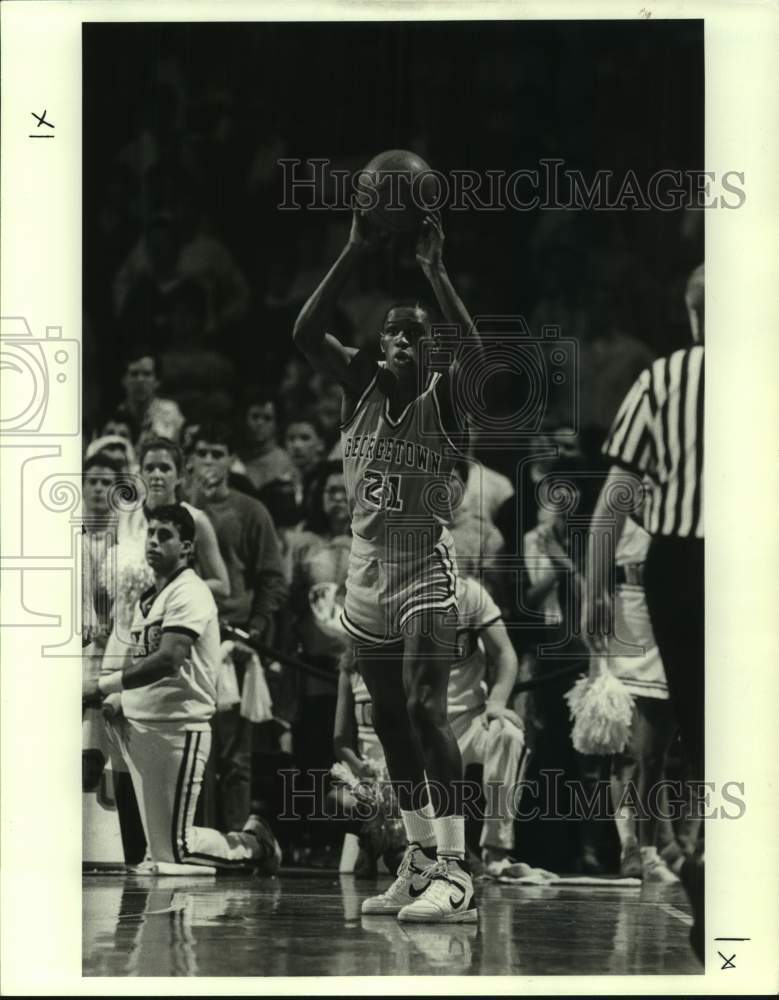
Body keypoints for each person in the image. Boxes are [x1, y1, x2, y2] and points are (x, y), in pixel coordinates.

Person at [293, 207, 483, 924]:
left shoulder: (446, 398)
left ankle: (460, 872)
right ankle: (419, 859)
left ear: (429, 351)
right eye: (391, 332)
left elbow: (473, 351)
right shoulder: (357, 386)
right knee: (390, 728)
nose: (401, 340)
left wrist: (435, 273)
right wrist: (349, 251)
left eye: (415, 333)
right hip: (365, 571)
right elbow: (304, 334)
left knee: (428, 708)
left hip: (424, 569)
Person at [583, 263, 705, 961]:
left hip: (674, 572)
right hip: (703, 575)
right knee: (644, 740)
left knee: (671, 737)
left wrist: (591, 591)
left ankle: (681, 848)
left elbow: (611, 500)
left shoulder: (661, 381)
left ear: (689, 316)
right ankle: (655, 845)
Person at [82, 505, 280, 871]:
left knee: (176, 851)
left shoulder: (190, 592)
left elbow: (169, 659)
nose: (154, 542)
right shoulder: (149, 597)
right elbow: (142, 660)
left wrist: (102, 685)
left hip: (177, 729)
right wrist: (121, 697)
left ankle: (254, 846)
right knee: (160, 854)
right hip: (142, 726)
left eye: (165, 536)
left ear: (188, 547)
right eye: (151, 534)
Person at [335, 575, 540, 881]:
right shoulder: (394, 593)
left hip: (471, 720)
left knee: (508, 734)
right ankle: (414, 852)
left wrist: (497, 702)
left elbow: (505, 653)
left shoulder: (470, 593)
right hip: (420, 722)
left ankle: (496, 849)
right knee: (368, 807)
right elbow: (342, 737)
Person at [187, 421, 289, 832]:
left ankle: (231, 843)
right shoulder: (181, 511)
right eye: (203, 453)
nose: (210, 461)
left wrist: (257, 630)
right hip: (187, 636)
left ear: (231, 460)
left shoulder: (251, 510)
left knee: (233, 755)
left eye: (218, 453)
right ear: (190, 460)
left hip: (233, 640)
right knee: (193, 749)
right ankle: (190, 839)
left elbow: (272, 578)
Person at [115, 347, 185, 445]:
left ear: (157, 381)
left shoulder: (170, 413)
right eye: (134, 374)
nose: (140, 380)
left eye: (147, 374)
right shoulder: (116, 416)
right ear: (124, 380)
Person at [238, 392, 298, 493]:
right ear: (245, 420)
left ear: (276, 424)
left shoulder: (285, 464)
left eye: (267, 418)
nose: (260, 423)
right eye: (255, 417)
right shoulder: (233, 460)